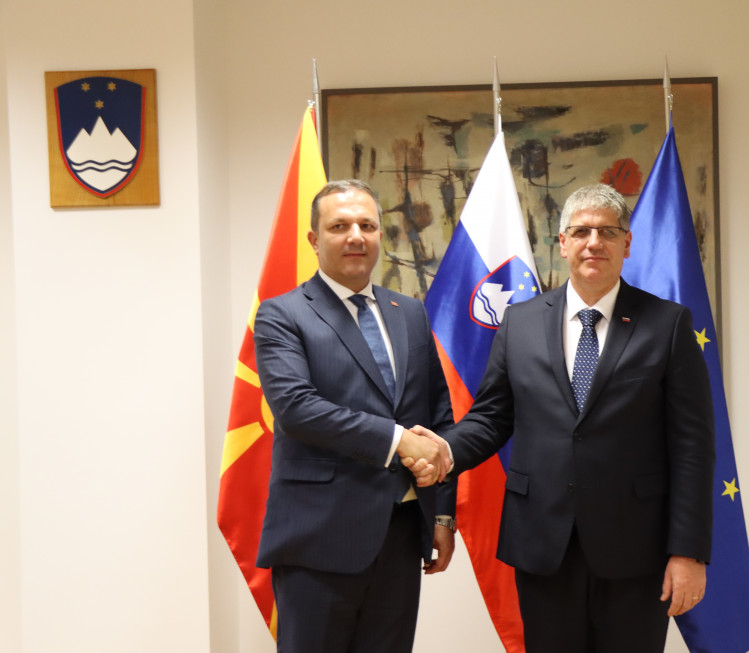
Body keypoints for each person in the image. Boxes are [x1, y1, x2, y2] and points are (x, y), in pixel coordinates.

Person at [410, 183, 716, 652]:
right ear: (563, 242)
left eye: (608, 232)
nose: (595, 242)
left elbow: (693, 448)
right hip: (542, 544)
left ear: (626, 243)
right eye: (582, 231)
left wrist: (689, 551)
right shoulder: (520, 322)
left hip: (637, 547)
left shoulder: (668, 324)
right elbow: (492, 418)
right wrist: (445, 448)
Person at [253, 179, 456, 653]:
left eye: (367, 225)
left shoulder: (409, 312)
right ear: (313, 239)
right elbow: (297, 409)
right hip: (317, 542)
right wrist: (399, 441)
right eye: (339, 226)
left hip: (401, 536)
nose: (356, 236)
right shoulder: (282, 315)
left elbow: (438, 418)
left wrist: (442, 514)